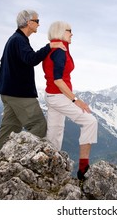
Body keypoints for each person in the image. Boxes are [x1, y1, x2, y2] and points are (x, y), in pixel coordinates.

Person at [0, 10, 66, 153]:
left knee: (9, 127)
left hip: (7, 92)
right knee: (39, 125)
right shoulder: (19, 40)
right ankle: (19, 154)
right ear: (29, 23)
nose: (39, 24)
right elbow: (31, 59)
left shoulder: (14, 39)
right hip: (19, 93)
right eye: (37, 21)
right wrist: (49, 46)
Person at [42, 21, 98, 181]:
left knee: (55, 132)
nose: (72, 34)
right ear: (60, 32)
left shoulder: (53, 47)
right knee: (90, 121)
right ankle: (83, 168)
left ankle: (49, 169)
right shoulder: (60, 51)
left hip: (52, 95)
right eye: (69, 31)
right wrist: (76, 100)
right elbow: (59, 80)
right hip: (59, 96)